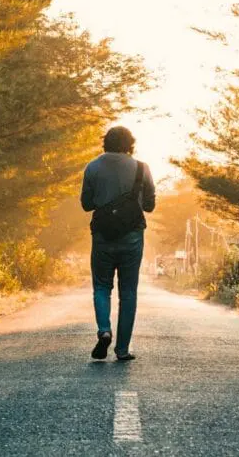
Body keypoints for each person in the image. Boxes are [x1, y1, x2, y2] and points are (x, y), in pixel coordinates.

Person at [80, 126, 155, 361]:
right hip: (132, 237)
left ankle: (104, 330)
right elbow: (150, 206)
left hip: (102, 236)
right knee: (128, 291)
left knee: (102, 287)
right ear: (130, 144)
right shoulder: (142, 168)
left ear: (105, 143)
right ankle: (122, 350)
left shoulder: (92, 167)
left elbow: (86, 204)